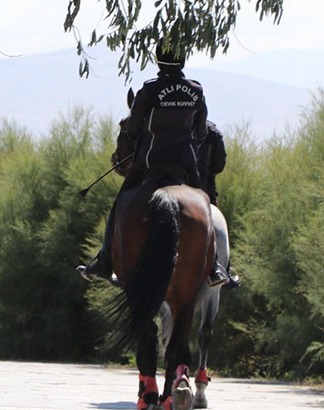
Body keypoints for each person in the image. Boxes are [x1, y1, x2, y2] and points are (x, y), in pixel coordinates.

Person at [77, 41, 229, 286]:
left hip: (150, 161)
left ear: (158, 61)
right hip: (185, 163)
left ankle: (105, 261)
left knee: (119, 206)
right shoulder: (196, 90)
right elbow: (200, 132)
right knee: (206, 206)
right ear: (182, 61)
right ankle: (214, 268)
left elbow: (133, 130)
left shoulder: (149, 90)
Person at [198, 120, 240, 288]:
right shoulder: (212, 132)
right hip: (203, 189)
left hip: (173, 184)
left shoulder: (170, 126)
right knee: (219, 227)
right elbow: (219, 165)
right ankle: (222, 270)